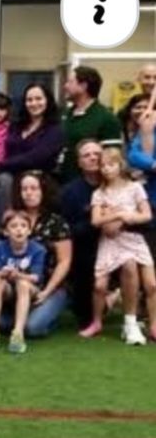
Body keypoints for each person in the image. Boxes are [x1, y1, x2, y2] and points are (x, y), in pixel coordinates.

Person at [82, 147, 155, 345]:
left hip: (133, 239)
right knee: (99, 286)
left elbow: (146, 215)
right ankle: (97, 322)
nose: (106, 169)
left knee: (151, 285)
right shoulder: (99, 193)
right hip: (110, 242)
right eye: (103, 166)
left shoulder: (135, 187)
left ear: (120, 165)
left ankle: (152, 325)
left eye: (111, 164)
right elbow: (96, 221)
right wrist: (117, 214)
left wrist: (126, 216)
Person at [7, 171, 72, 338]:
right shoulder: (11, 219)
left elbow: (64, 261)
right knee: (1, 323)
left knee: (32, 328)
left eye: (34, 188)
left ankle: (47, 317)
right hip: (19, 284)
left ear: (43, 191)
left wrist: (47, 291)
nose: (28, 193)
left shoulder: (57, 222)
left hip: (50, 287)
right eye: (24, 189)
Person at [0, 84, 64, 219]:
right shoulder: (16, 125)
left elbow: (36, 157)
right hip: (8, 175)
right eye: (29, 100)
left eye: (38, 99)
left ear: (47, 100)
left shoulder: (55, 129)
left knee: (6, 181)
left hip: (38, 178)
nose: (34, 103)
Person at [0, 211, 47, 354]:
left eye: (23, 226)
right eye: (14, 226)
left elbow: (36, 277)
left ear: (29, 230)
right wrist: (3, 273)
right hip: (8, 287)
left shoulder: (38, 249)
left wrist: (18, 275)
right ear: (5, 231)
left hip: (31, 289)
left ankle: (18, 334)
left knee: (22, 284)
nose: (19, 230)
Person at [61, 140, 105, 327]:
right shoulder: (70, 192)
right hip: (86, 250)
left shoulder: (119, 184)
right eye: (87, 155)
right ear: (79, 162)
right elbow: (69, 231)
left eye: (97, 154)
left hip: (120, 242)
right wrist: (97, 221)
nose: (93, 158)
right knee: (84, 315)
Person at [61, 66, 121, 180]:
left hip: (92, 183)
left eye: (70, 82)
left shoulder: (106, 118)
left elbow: (112, 158)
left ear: (83, 86)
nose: (65, 86)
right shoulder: (66, 114)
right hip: (64, 180)